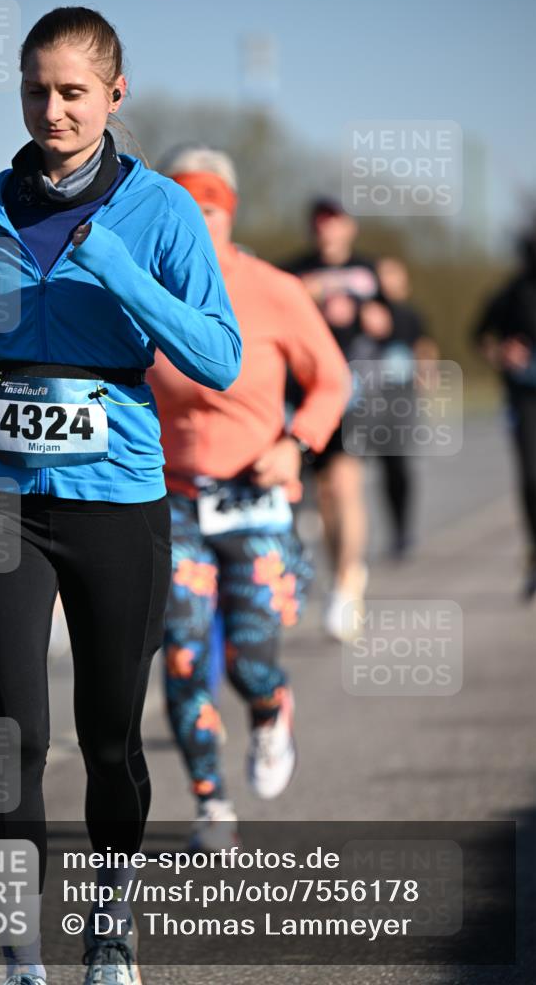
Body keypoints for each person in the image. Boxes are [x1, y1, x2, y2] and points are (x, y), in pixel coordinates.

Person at [0, 7, 241, 985]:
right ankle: (21, 950)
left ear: (114, 94)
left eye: (72, 91)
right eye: (36, 90)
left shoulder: (161, 213)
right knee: (14, 728)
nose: (52, 109)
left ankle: (109, 924)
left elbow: (219, 357)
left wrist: (119, 273)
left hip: (117, 496)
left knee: (109, 735)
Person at [149, 147, 350, 849]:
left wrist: (295, 443)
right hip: (170, 502)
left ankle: (269, 709)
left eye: (204, 207)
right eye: (176, 206)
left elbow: (331, 379)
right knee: (179, 652)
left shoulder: (271, 290)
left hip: (254, 497)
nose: (190, 221)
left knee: (249, 661)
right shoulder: (139, 287)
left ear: (226, 213)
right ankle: (210, 798)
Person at [284, 198, 391, 639]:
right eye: (320, 224)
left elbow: (393, 325)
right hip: (310, 394)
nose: (328, 232)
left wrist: (378, 319)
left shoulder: (369, 272)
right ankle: (342, 576)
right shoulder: (293, 270)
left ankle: (347, 584)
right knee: (325, 493)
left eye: (335, 224)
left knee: (347, 485)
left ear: (349, 228)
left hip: (356, 391)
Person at [474, 223, 536, 600]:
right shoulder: (511, 293)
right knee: (531, 477)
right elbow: (479, 336)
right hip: (524, 397)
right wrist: (500, 354)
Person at [375, 257, 439, 557]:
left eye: (393, 275)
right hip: (371, 399)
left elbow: (425, 347)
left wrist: (428, 370)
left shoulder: (412, 316)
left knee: (399, 465)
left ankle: (403, 530)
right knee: (378, 467)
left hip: (402, 398)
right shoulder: (369, 314)